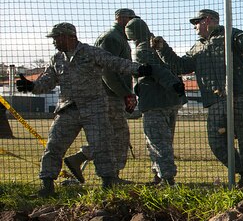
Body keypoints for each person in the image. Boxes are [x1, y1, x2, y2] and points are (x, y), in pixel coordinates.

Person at [15, 22, 153, 196]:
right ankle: (47, 186)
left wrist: (138, 69)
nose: (54, 42)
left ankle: (108, 184)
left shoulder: (91, 52)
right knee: (54, 146)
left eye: (57, 38)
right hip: (68, 109)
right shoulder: (56, 59)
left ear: (69, 37)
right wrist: (31, 86)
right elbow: (47, 81)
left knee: (102, 146)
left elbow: (114, 63)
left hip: (94, 108)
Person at [152, 9, 243, 188]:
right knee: (216, 141)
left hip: (240, 95)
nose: (194, 27)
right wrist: (163, 49)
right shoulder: (197, 48)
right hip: (215, 100)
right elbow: (180, 66)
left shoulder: (229, 35)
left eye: (196, 22)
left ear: (207, 20)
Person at [63, 8, 138, 183]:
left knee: (110, 135)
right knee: (118, 135)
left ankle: (81, 159)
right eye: (131, 19)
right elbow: (107, 71)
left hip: (111, 94)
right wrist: (125, 93)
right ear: (120, 19)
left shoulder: (118, 38)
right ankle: (111, 175)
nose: (134, 23)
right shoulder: (111, 38)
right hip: (109, 95)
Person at [125, 17, 186, 186]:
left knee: (157, 142)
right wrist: (176, 86)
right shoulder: (156, 46)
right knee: (164, 141)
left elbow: (156, 70)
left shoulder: (141, 51)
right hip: (172, 101)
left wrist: (172, 84)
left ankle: (167, 179)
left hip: (154, 102)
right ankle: (159, 176)